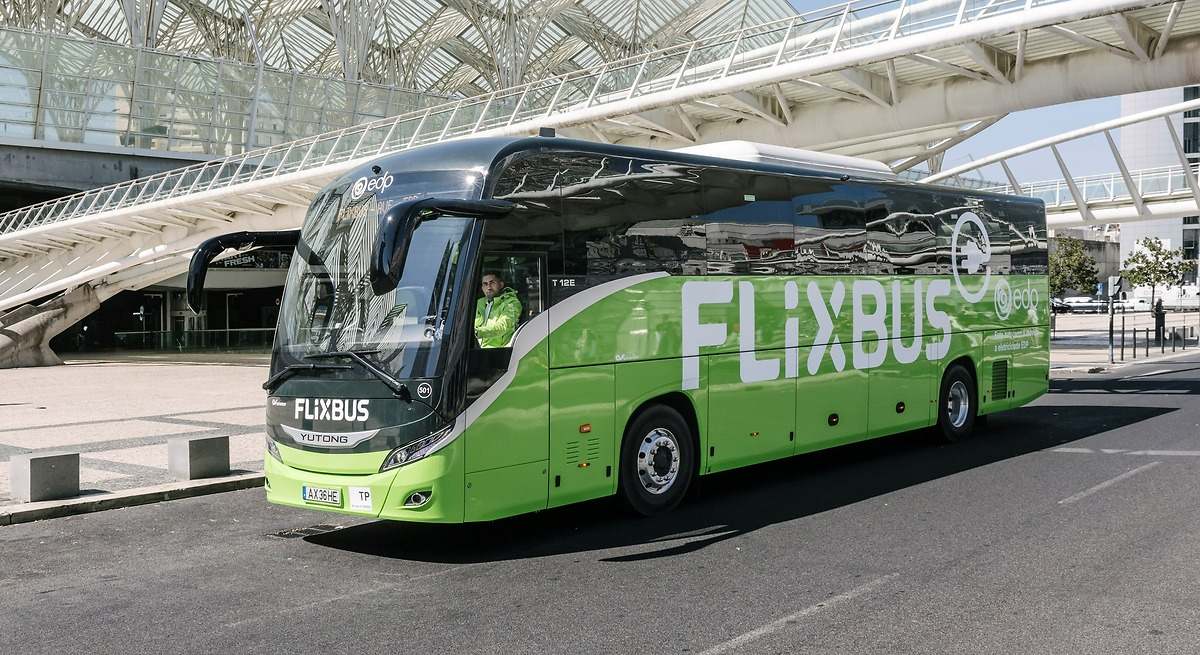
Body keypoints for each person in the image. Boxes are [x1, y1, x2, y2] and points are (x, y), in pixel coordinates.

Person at [475, 271, 521, 348]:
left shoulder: (512, 303)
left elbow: (503, 326)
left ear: (501, 285)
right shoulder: (479, 303)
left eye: (492, 283)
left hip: (500, 351)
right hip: (477, 349)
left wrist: (477, 333)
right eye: (485, 284)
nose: (489, 287)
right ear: (482, 288)